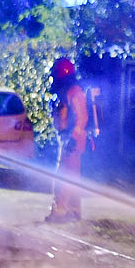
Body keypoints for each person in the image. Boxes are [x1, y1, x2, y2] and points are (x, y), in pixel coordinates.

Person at [46, 56, 89, 223]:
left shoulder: (74, 92)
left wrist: (73, 138)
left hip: (72, 139)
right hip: (66, 137)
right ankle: (73, 211)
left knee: (64, 176)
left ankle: (60, 211)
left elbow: (82, 117)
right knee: (71, 176)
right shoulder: (65, 92)